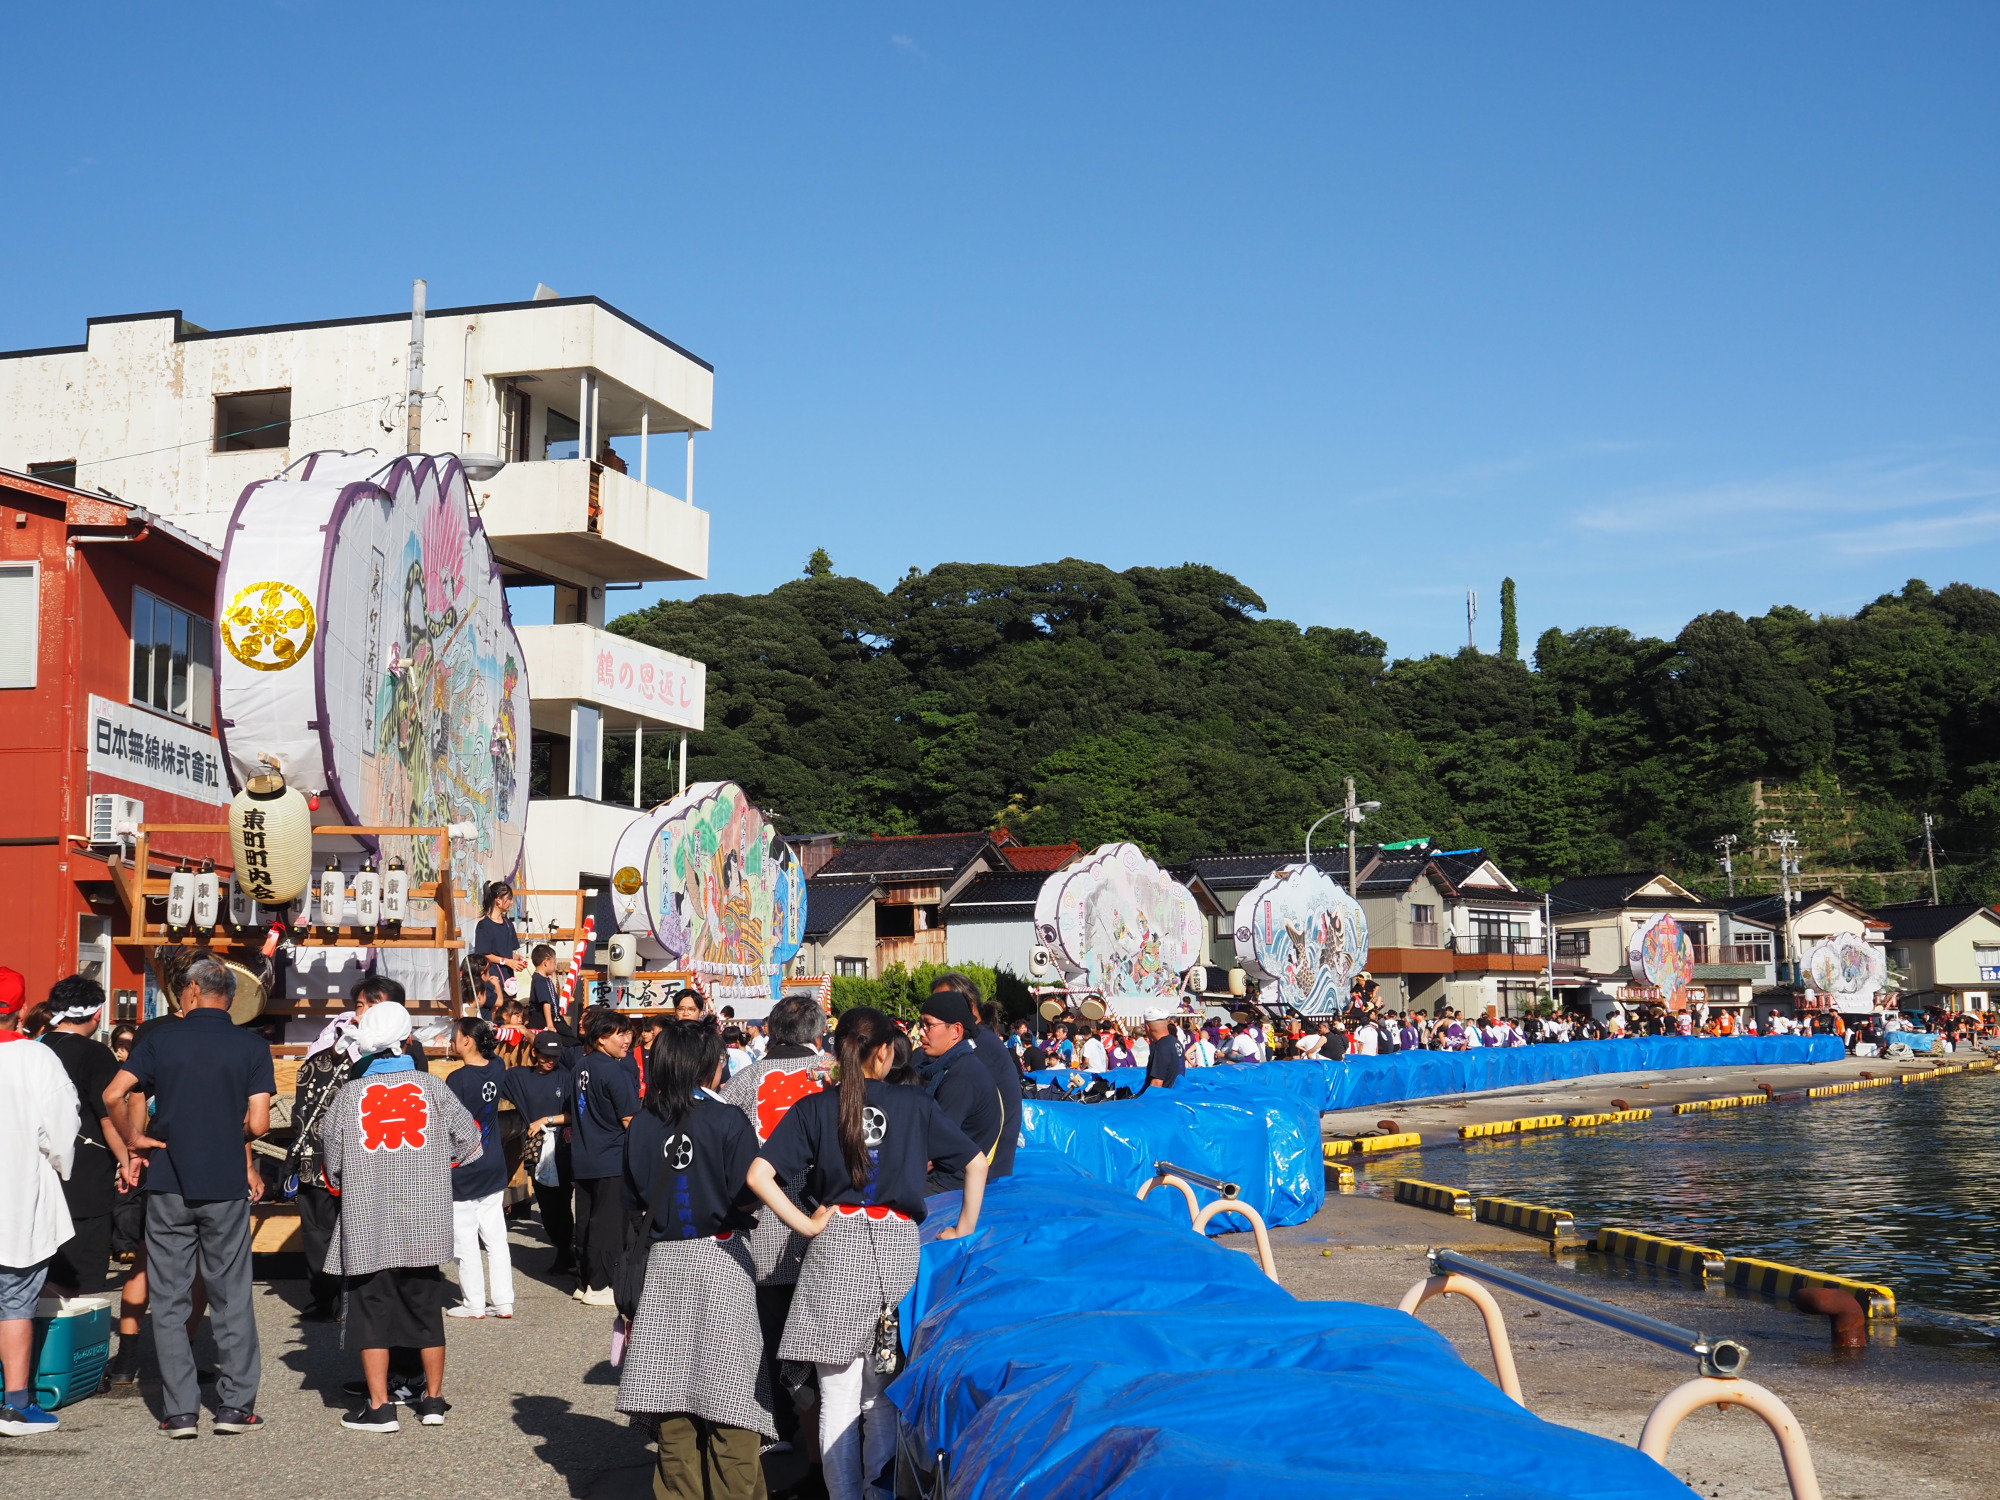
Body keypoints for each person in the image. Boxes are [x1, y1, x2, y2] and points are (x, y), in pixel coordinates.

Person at [748, 1007, 986, 1500]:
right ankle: (880, 1494)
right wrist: (962, 1229)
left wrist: (806, 1223)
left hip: (834, 1250)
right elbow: (976, 1162)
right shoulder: (914, 1103)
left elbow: (758, 1175)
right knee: (881, 1396)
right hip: (895, 1250)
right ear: (883, 1051)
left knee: (836, 1395)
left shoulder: (816, 1107)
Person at [107, 956, 274, 1437]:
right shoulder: (251, 1046)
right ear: (230, 997)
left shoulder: (160, 1039)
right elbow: (260, 1122)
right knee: (231, 1295)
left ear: (195, 991)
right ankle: (235, 1407)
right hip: (224, 1183)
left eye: (183, 988)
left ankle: (180, 1411)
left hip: (168, 1180)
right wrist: (230, 1132)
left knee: (169, 1295)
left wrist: (133, 1140)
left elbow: (114, 1094)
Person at [619, 1020, 771, 1499]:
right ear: (709, 1065)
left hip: (664, 1263)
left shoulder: (642, 1123)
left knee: (671, 1397)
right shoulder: (727, 1119)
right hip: (721, 1258)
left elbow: (633, 1199)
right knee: (732, 1396)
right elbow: (750, 1195)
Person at [316, 1000, 482, 1432]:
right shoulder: (433, 1087)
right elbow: (470, 1142)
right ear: (408, 1040)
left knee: (371, 1314)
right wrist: (434, 1162)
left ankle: (380, 1407)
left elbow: (332, 1163)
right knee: (426, 1309)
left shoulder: (349, 1096)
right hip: (424, 1221)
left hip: (368, 1220)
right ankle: (433, 1400)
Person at [720, 995, 830, 1452]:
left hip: (763, 1224)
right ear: (818, 1033)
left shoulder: (742, 1083)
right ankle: (833, 1424)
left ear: (770, 1029)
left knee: (773, 1331)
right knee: (825, 1329)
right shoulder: (833, 1073)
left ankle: (782, 1423)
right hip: (826, 1219)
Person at [0, 965, 77, 1437]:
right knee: (15, 1302)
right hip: (16, 1198)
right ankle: (15, 1405)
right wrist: (60, 1166)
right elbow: (61, 1130)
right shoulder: (38, 1058)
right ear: (23, 1010)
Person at [40, 977, 130, 1297]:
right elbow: (108, 1118)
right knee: (77, 1277)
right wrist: (127, 1161)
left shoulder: (34, 1048)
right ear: (97, 1014)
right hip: (84, 1176)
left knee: (38, 1270)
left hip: (35, 1168)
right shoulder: (95, 1054)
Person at [444, 1017, 513, 1320]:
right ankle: (504, 1301)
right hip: (493, 1160)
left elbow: (449, 1127)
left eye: (455, 1036)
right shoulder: (497, 1067)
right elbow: (493, 1054)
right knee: (496, 1238)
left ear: (467, 1040)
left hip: (465, 1166)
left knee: (466, 1240)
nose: (452, 1041)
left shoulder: (457, 1079)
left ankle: (474, 1303)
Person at [571, 1008, 640, 1306]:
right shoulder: (615, 1070)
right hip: (611, 1157)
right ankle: (600, 1285)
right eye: (620, 1034)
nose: (627, 1040)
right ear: (601, 1038)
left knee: (586, 1222)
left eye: (628, 1033)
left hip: (584, 1155)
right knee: (608, 1224)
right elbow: (629, 1120)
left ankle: (583, 1281)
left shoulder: (580, 1066)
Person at [912, 989, 1002, 1193]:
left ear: (955, 1030)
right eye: (921, 1024)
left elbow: (930, 1153)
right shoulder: (954, 1065)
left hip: (949, 1186)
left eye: (928, 1025)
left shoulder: (961, 1078)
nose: (921, 1032)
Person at [503, 1032, 576, 1278]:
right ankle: (563, 1248)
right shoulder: (518, 1077)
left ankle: (565, 1252)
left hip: (562, 1147)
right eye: (545, 1055)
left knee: (562, 1202)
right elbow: (491, 1073)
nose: (550, 1061)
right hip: (537, 1149)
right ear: (534, 1053)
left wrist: (546, 1119)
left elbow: (575, 1114)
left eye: (555, 1056)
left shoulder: (567, 1077)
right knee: (545, 1204)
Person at [940, 983, 1020, 1182]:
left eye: (941, 1004)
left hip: (982, 1172)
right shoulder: (979, 1042)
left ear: (969, 1006)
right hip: (978, 1165)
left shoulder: (976, 1048)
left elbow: (945, 1125)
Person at [470, 881, 527, 1021]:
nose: (511, 902)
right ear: (498, 900)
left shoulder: (508, 924)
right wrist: (507, 961)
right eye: (508, 899)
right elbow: (484, 954)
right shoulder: (484, 926)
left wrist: (517, 959)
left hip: (509, 981)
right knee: (496, 1018)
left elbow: (507, 951)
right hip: (492, 979)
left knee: (509, 1017)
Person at [1138, 1009, 1184, 1092]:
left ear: (1148, 1027)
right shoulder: (1176, 1042)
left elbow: (1156, 1083)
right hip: (1177, 1094)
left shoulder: (1160, 1048)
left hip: (1163, 1097)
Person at [524, 944, 560, 1031]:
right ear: (546, 962)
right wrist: (550, 1025)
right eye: (554, 963)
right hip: (542, 1019)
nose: (555, 966)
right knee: (570, 1039)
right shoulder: (540, 980)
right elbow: (546, 1003)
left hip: (551, 1017)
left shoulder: (545, 979)